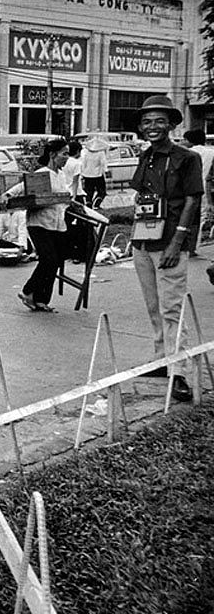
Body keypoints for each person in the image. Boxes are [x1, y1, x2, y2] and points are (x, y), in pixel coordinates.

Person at [130, 97, 203, 403]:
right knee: (153, 305)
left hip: (170, 242)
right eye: (147, 122)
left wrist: (178, 241)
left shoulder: (187, 158)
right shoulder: (145, 157)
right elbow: (143, 198)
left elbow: (192, 200)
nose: (152, 127)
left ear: (172, 124)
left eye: (159, 121)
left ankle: (180, 372)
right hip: (144, 240)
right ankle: (162, 359)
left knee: (172, 307)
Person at [4, 138, 71, 313]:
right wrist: (7, 194)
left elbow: (64, 197)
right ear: (53, 154)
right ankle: (28, 291)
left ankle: (41, 300)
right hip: (39, 223)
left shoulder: (61, 175)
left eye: (68, 154)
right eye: (64, 154)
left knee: (55, 263)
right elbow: (22, 186)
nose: (67, 158)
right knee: (49, 259)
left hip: (57, 224)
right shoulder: (43, 173)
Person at [179, 129, 214, 244]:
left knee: (188, 216)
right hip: (205, 187)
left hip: (189, 187)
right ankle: (196, 244)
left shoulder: (186, 153)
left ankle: (187, 244)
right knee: (202, 216)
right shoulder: (211, 152)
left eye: (184, 139)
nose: (182, 142)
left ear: (190, 140)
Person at [79, 136, 109, 209]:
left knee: (89, 191)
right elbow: (103, 163)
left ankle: (89, 203)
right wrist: (106, 171)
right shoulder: (100, 153)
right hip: (98, 175)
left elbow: (83, 163)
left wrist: (82, 173)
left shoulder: (85, 152)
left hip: (87, 175)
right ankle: (96, 203)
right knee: (102, 191)